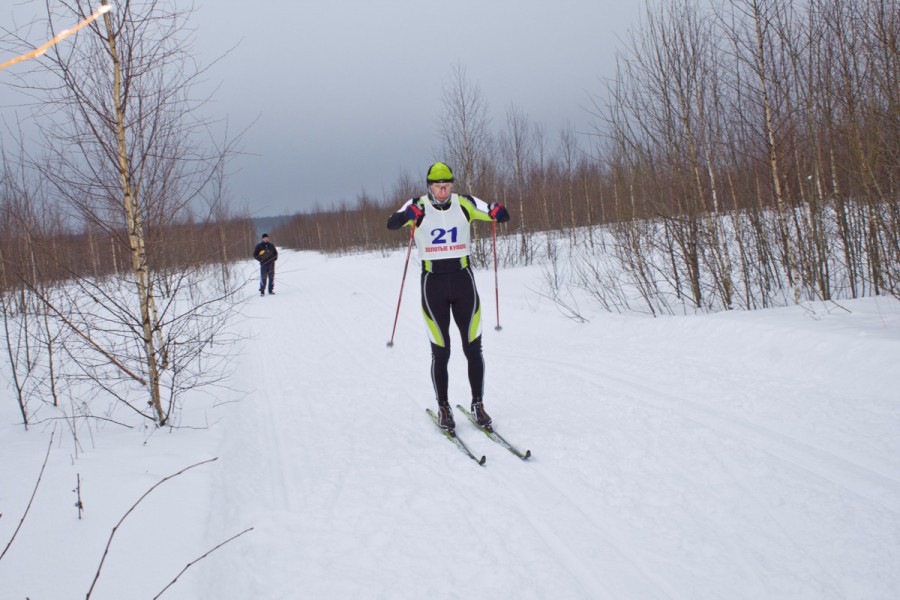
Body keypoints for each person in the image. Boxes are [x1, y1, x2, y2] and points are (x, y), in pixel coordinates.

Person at [387, 162, 510, 431]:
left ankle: (478, 404)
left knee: (473, 348)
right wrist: (409, 213)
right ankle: (443, 406)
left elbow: (496, 214)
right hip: (433, 283)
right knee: (441, 351)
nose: (443, 192)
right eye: (437, 187)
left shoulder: (464, 202)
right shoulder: (416, 204)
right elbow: (392, 223)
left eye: (447, 186)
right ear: (429, 185)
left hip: (463, 279)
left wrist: (499, 212)